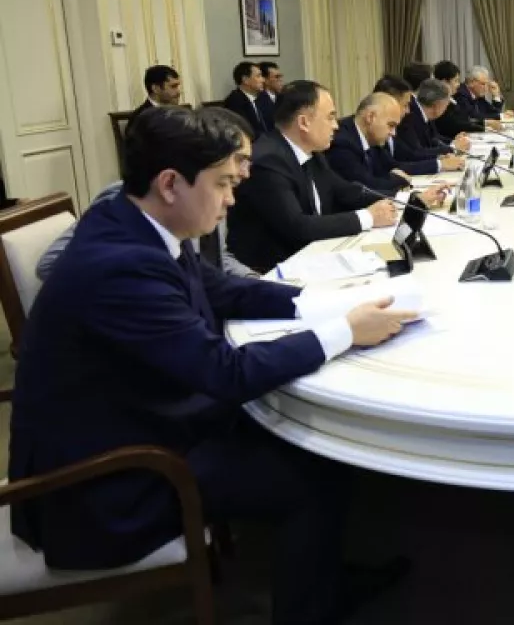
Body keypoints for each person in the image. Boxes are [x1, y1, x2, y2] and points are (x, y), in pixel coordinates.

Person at [8, 106, 415, 624]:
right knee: (308, 474)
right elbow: (225, 373)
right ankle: (312, 607)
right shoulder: (119, 266)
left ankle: (320, 577)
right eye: (223, 183)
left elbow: (223, 290)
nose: (232, 198)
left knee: (309, 440)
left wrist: (334, 304)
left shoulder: (136, 223)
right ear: (170, 183)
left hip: (142, 416)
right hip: (107, 478)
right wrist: (345, 332)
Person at [38, 108, 259, 281]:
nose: (245, 172)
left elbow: (215, 259)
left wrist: (253, 278)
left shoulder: (214, 192)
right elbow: (51, 265)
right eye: (239, 160)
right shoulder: (130, 198)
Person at [226, 80, 400, 272]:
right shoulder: (268, 160)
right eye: (330, 117)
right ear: (304, 122)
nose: (336, 126)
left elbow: (346, 191)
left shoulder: (312, 153)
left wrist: (402, 199)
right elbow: (298, 226)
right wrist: (368, 217)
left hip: (311, 256)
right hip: (270, 270)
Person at [327, 92, 453, 200]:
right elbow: (367, 187)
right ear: (370, 117)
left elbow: (391, 166)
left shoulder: (371, 137)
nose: (393, 133)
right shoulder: (342, 143)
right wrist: (400, 182)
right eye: (391, 125)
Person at [374, 75, 466, 175]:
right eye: (405, 105)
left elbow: (407, 155)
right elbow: (393, 166)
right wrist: (441, 163)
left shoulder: (390, 130)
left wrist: (440, 158)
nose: (408, 111)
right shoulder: (408, 119)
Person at [393, 79, 471, 163]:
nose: (407, 110)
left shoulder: (425, 113)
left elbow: (434, 138)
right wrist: (452, 148)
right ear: (437, 105)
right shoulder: (410, 116)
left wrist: (453, 142)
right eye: (447, 104)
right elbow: (416, 153)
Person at [433, 60, 490, 137]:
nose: (458, 84)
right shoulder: (439, 101)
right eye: (456, 81)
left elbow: (465, 119)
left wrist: (486, 124)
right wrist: (486, 127)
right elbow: (456, 124)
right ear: (444, 82)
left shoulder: (451, 99)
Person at [223, 61, 268, 138]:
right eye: (258, 76)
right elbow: (245, 131)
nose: (263, 80)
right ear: (245, 80)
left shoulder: (262, 97)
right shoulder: (235, 101)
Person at [256, 61, 284, 131]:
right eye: (277, 77)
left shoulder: (284, 96)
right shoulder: (258, 100)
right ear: (265, 80)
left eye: (281, 76)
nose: (281, 80)